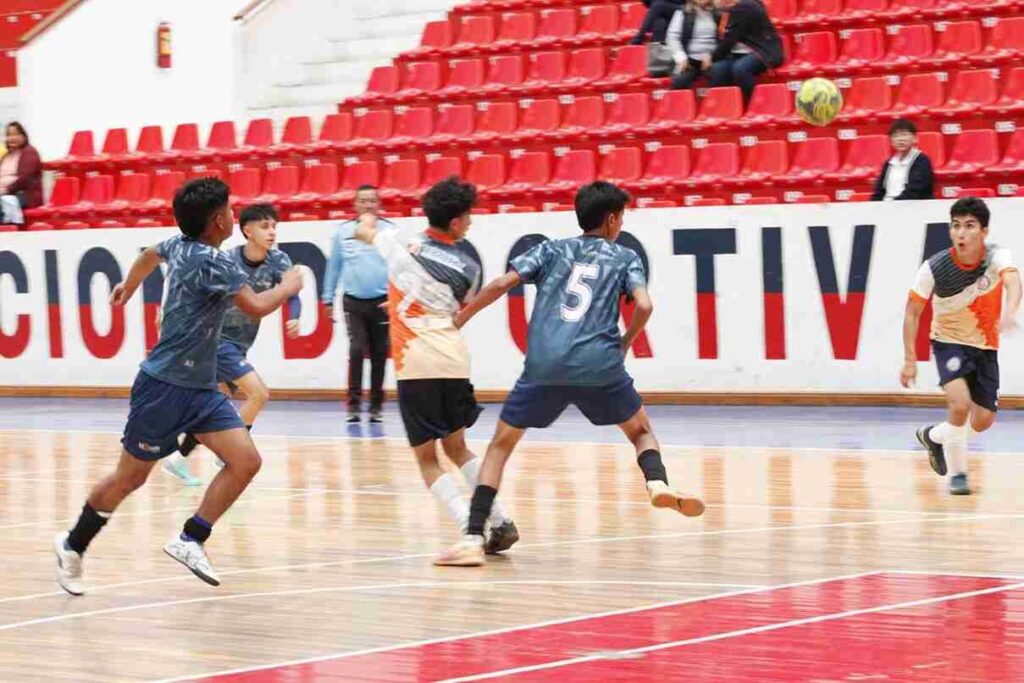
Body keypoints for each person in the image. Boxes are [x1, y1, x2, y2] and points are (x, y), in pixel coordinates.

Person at [53, 178, 303, 595]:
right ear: (217, 220)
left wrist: (129, 285)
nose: (232, 213)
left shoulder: (178, 243)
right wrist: (289, 286)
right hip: (164, 387)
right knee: (129, 479)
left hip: (202, 388)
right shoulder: (215, 263)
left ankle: (191, 538)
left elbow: (149, 255)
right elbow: (258, 305)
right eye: (228, 209)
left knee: (245, 461)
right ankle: (73, 543)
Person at [435, 181, 704, 568]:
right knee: (641, 431)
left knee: (499, 447)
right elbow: (644, 304)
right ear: (613, 220)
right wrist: (626, 341)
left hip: (544, 364)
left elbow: (500, 284)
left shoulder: (550, 249)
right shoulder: (625, 256)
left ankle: (474, 536)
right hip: (600, 364)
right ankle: (656, 482)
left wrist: (460, 318)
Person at [350, 177, 518, 555]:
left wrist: (367, 218)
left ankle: (468, 529)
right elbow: (450, 304)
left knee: (427, 460)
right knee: (458, 449)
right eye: (469, 216)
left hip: (416, 364)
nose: (471, 222)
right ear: (456, 223)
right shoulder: (468, 265)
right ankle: (500, 518)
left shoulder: (399, 245)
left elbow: (365, 231)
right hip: (454, 360)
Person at [163, 203, 302, 486]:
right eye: (265, 226)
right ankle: (232, 452)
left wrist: (295, 316)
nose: (272, 231)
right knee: (259, 394)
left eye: (274, 225)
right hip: (214, 339)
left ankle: (177, 460)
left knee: (216, 408)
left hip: (240, 344)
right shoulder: (225, 259)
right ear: (247, 230)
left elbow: (293, 293)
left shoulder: (279, 261)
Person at [901, 197, 1020, 496]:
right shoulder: (935, 267)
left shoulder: (997, 256)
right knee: (959, 404)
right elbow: (912, 312)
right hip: (948, 343)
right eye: (956, 226)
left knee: (983, 421)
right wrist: (910, 359)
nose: (961, 233)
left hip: (985, 347)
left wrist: (1010, 310)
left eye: (969, 226)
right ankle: (959, 475)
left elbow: (1013, 281)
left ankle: (935, 436)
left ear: (984, 231)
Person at [322, 185, 393, 423]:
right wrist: (328, 298)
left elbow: (399, 268)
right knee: (356, 349)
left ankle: (375, 406)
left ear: (378, 204)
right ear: (355, 205)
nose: (368, 205)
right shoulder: (343, 232)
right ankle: (353, 404)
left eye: (372, 200)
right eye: (363, 200)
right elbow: (334, 267)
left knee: (380, 353)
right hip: (353, 301)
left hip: (383, 302)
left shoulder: (391, 230)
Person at [707, 0, 784, 105]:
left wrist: (711, 58)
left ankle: (752, 104)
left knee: (741, 68)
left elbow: (729, 41)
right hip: (737, 54)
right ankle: (723, 106)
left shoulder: (746, 6)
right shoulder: (726, 11)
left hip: (762, 51)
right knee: (718, 69)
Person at [871, 119, 935, 201]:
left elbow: (913, 192)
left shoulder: (922, 161)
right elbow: (879, 191)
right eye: (896, 136)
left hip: (912, 207)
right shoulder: (889, 163)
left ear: (915, 138)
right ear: (891, 141)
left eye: (904, 134)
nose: (900, 139)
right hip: (887, 206)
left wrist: (892, 205)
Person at [667, 0, 720, 91]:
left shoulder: (718, 13)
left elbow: (724, 39)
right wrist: (681, 58)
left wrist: (712, 56)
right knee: (679, 81)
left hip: (712, 59)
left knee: (720, 74)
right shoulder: (682, 13)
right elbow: (672, 37)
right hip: (689, 60)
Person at [0, 122, 42, 226]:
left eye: (15, 134)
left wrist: (7, 190)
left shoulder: (29, 152)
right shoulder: (6, 156)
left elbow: (26, 178)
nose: (11, 138)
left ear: (23, 136)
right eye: (9, 135)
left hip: (22, 194)